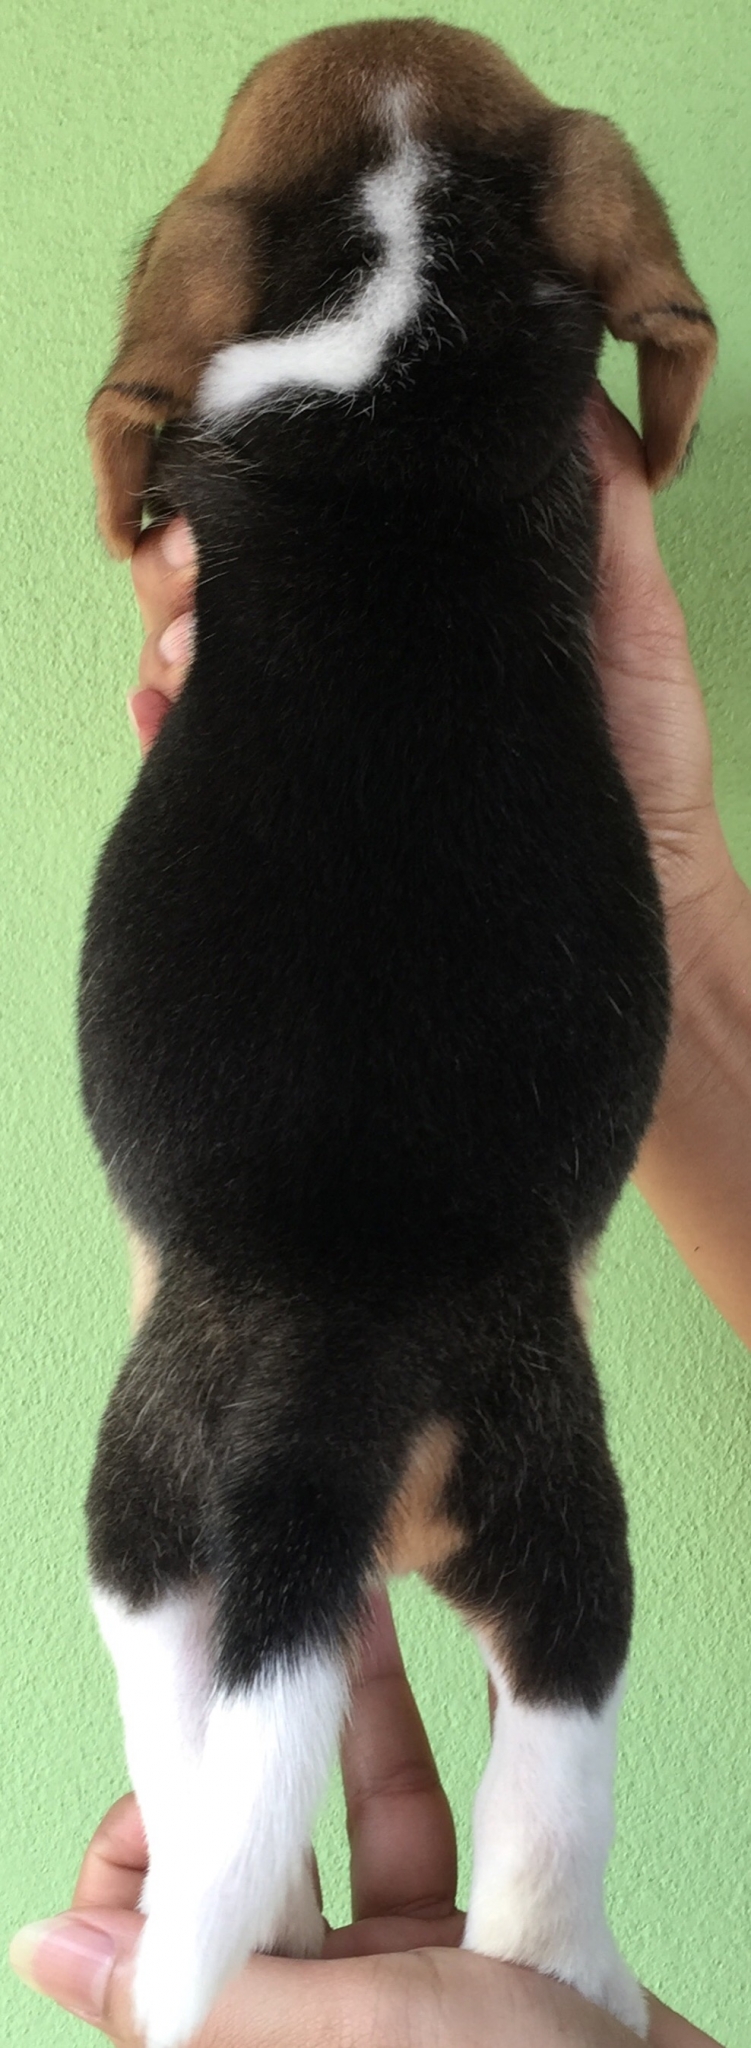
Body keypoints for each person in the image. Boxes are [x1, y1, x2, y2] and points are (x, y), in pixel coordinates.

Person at [10, 392, 747, 2046]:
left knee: (163, 1560)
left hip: (246, 1354)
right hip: (475, 1342)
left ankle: (236, 1869)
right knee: (551, 1593)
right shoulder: (515, 494)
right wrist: (674, 914)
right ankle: (526, 1907)